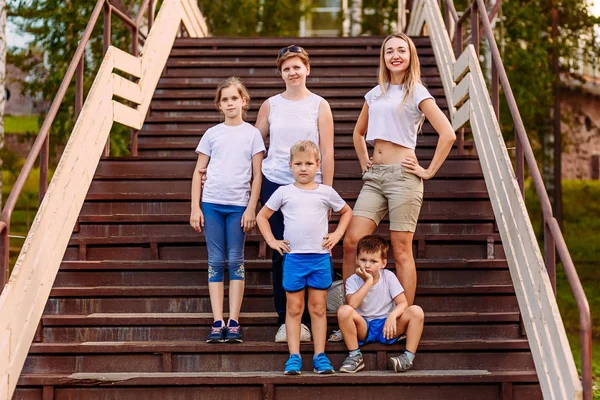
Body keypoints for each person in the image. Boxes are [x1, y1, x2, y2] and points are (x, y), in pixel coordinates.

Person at [342, 32, 456, 311]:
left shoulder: (416, 90)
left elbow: (448, 134)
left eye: (401, 51)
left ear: (410, 56)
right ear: (383, 57)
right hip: (375, 178)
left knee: (401, 249)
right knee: (351, 241)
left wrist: (427, 171)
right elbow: (359, 133)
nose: (395, 55)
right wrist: (363, 160)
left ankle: (402, 317)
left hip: (404, 177)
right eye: (389, 50)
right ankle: (351, 312)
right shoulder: (376, 93)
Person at [255, 45, 335, 343]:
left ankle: (311, 318)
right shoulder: (270, 104)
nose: (292, 72)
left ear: (307, 69)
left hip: (310, 186)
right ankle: (285, 321)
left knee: (311, 249)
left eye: (297, 66)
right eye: (286, 68)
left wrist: (326, 190)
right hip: (275, 182)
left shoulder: (319, 105)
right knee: (282, 251)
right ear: (281, 73)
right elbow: (254, 141)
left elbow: (327, 150)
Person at [256, 140, 352, 375]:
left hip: (319, 258)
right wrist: (272, 241)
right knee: (294, 308)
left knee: (318, 308)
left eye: (309, 163)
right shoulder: (284, 192)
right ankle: (294, 356)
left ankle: (320, 355)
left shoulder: (325, 192)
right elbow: (262, 217)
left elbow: (347, 211)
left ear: (318, 165)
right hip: (294, 259)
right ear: (290, 166)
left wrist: (337, 234)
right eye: (298, 163)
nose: (303, 168)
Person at [190, 77, 265, 343]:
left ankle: (233, 320)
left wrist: (251, 208)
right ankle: (216, 320)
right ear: (219, 105)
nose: (230, 103)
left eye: (234, 98)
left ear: (243, 101)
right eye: (225, 99)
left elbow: (257, 175)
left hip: (237, 206)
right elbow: (198, 172)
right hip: (212, 204)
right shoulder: (212, 133)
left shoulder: (252, 134)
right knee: (215, 261)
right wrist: (195, 208)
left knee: (235, 260)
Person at [337, 235, 424, 373]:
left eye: (373, 261)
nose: (367, 265)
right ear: (356, 260)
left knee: (416, 311)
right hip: (363, 326)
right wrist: (368, 282)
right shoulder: (353, 279)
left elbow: (403, 303)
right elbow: (352, 305)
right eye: (363, 260)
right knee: (343, 310)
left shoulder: (388, 276)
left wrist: (392, 316)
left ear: (383, 263)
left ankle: (407, 358)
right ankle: (355, 356)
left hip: (387, 327)